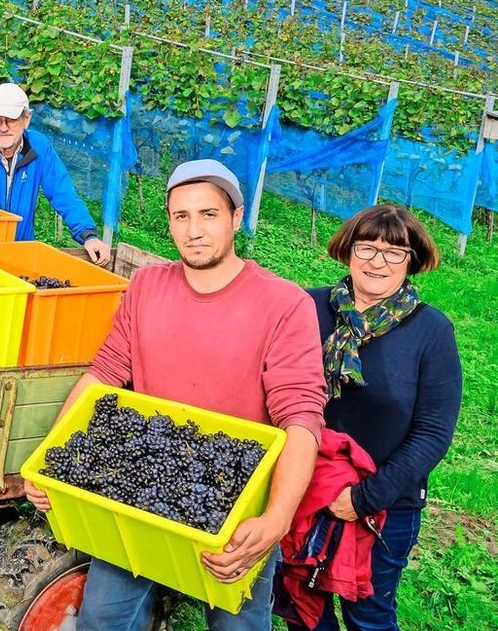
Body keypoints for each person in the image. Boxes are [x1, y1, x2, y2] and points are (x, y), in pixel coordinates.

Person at [25, 159, 325, 631]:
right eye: (180, 216)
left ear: (237, 216)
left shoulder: (285, 304)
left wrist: (277, 518)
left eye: (208, 214)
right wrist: (50, 459)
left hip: (233, 503)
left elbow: (301, 417)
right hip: (142, 491)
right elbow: (102, 375)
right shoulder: (146, 285)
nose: (194, 230)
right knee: (103, 617)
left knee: (237, 625)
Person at [291, 204, 461, 631]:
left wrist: (363, 499)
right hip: (301, 487)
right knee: (302, 608)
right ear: (347, 251)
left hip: (385, 504)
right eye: (367, 247)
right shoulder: (306, 307)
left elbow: (432, 433)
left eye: (394, 252)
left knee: (368, 615)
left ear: (412, 262)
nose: (378, 262)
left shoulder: (431, 331)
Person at [0, 82, 109, 264]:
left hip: (22, 252)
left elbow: (63, 192)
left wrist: (88, 235)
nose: (3, 128)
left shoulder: (39, 147)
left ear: (26, 119)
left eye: (11, 120)